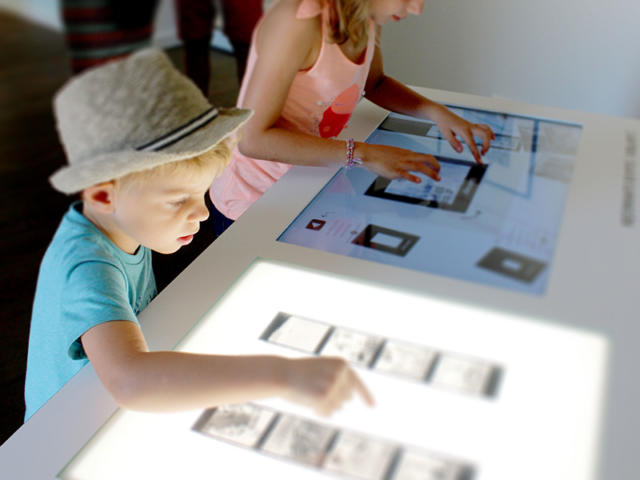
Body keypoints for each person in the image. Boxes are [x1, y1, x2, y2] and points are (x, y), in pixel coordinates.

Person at [24, 48, 373, 421]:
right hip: (63, 426)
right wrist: (282, 375)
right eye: (178, 201)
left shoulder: (119, 223)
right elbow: (130, 381)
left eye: (202, 193)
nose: (204, 213)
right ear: (104, 195)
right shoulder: (88, 266)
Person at [209, 0, 496, 234]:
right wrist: (365, 154)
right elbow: (251, 139)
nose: (416, 9)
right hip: (252, 201)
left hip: (309, 182)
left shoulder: (364, 18)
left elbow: (376, 83)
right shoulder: (298, 22)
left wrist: (436, 112)